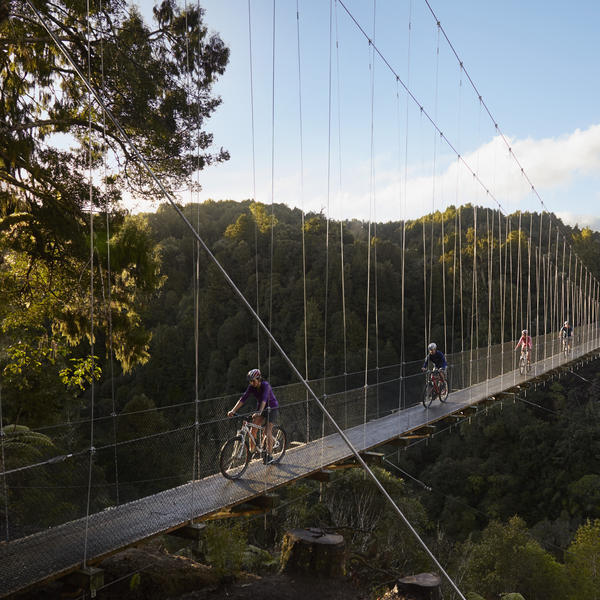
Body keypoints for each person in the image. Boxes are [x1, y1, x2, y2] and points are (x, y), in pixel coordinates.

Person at [227, 368, 279, 464]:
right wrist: (233, 410)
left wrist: (259, 412)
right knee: (252, 430)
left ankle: (270, 456)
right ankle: (252, 452)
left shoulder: (265, 385)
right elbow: (243, 398)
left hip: (272, 408)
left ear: (259, 379)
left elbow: (264, 399)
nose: (251, 383)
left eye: (253, 381)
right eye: (250, 381)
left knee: (267, 432)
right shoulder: (251, 387)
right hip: (261, 408)